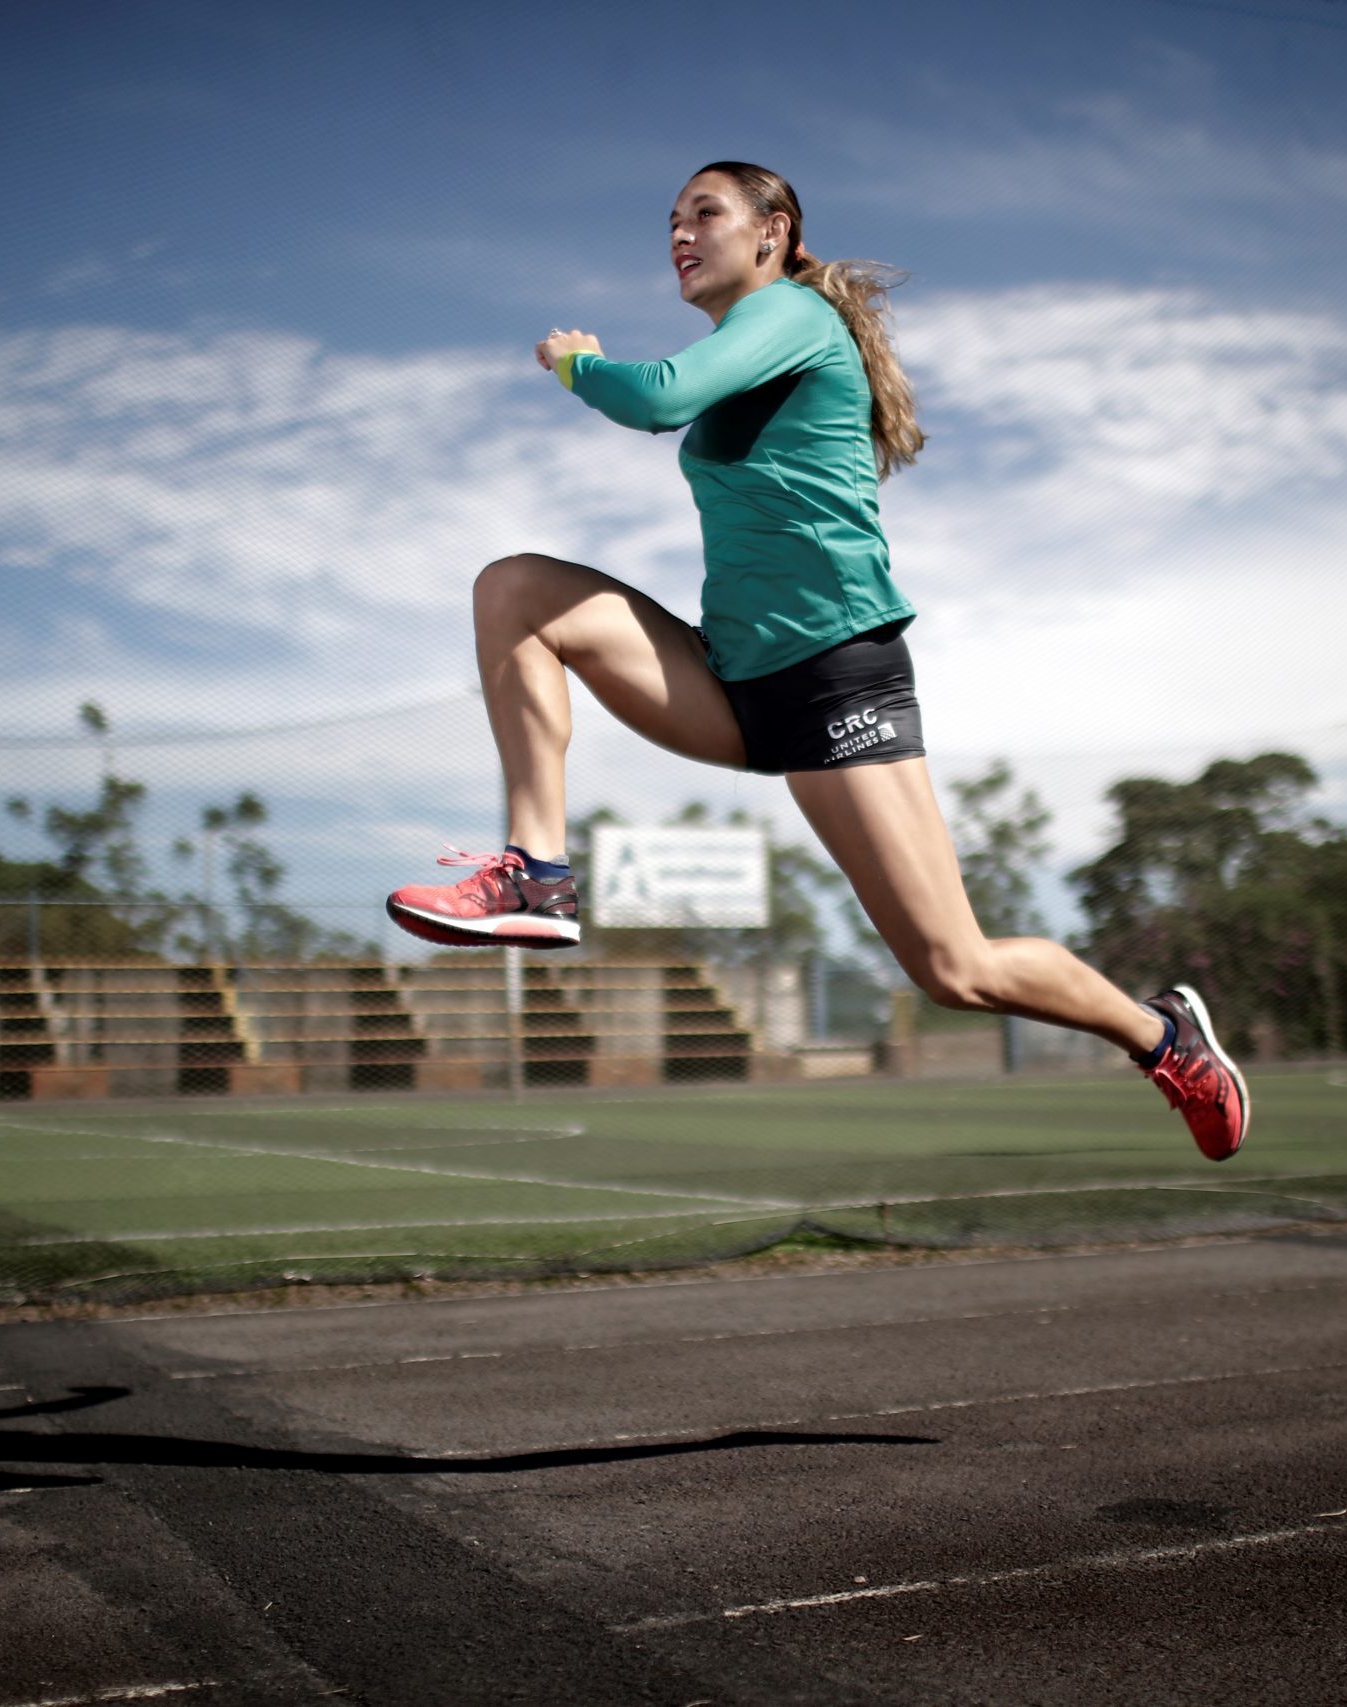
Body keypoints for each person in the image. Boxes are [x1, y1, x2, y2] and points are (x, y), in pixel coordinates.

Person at [384, 162, 1248, 1160]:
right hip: (734, 678)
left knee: (953, 968)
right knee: (515, 592)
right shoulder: (749, 343)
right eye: (668, 221)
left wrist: (580, 362)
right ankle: (534, 875)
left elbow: (659, 396)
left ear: (773, 233)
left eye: (702, 214)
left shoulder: (789, 314)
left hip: (836, 674)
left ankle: (1161, 1034)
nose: (678, 233)